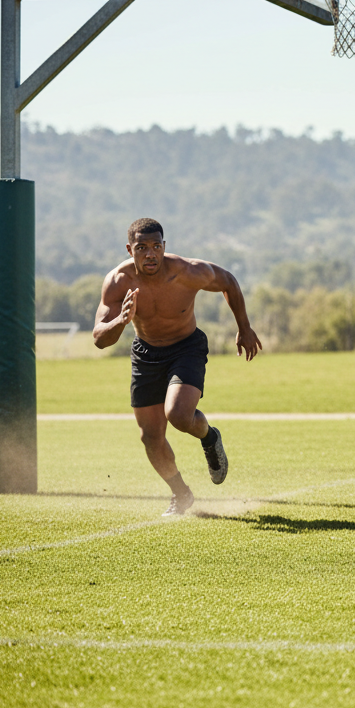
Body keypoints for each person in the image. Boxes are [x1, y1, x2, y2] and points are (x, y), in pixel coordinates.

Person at [93, 218, 262, 517]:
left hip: (186, 348)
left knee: (179, 415)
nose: (150, 254)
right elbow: (99, 339)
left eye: (156, 247)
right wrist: (122, 319)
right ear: (129, 249)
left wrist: (244, 328)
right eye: (142, 248)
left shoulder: (186, 271)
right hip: (145, 353)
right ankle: (180, 495)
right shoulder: (118, 281)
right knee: (150, 437)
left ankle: (209, 437)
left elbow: (228, 281)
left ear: (164, 247)